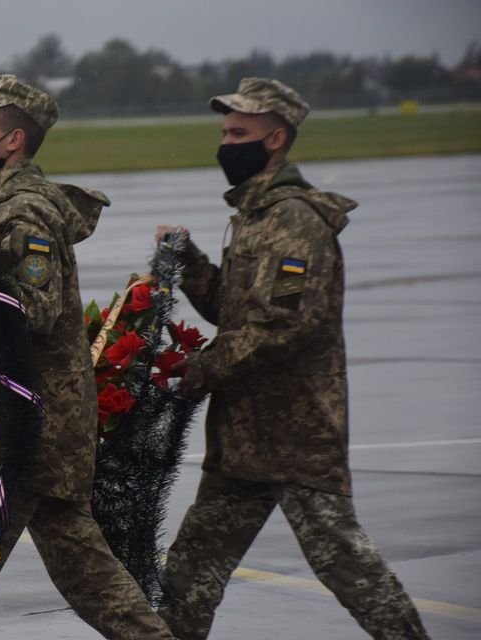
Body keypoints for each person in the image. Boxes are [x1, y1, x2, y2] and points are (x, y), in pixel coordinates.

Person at [154, 77, 432, 639]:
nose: (225, 143)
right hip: (242, 442)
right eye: (224, 132)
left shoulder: (294, 220)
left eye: (239, 132)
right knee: (187, 577)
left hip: (296, 437)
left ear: (275, 139)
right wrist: (190, 262)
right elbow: (234, 312)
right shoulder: (255, 217)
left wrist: (199, 370)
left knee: (349, 568)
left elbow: (280, 326)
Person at [0, 74, 176, 640]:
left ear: (13, 142)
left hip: (26, 434)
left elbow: (36, 309)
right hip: (36, 430)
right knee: (93, 582)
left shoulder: (22, 212)